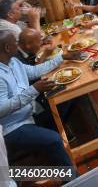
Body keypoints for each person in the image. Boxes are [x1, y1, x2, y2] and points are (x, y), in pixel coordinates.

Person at [0, 31, 81, 169]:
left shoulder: (13, 61)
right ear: (7, 48)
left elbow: (35, 71)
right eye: (15, 42)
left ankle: (48, 142)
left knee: (67, 97)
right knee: (54, 140)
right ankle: (72, 181)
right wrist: (34, 89)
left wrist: (62, 57)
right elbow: (2, 109)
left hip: (30, 113)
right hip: (13, 127)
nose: (18, 45)